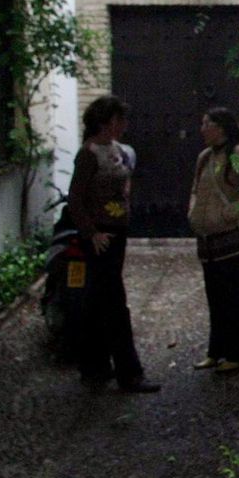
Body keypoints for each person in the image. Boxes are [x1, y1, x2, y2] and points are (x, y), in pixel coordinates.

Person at [66, 95, 160, 394]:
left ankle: (95, 367)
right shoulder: (89, 155)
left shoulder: (117, 151)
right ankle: (128, 373)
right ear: (107, 122)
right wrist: (92, 232)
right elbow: (76, 199)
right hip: (101, 236)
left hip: (117, 232)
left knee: (98, 301)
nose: (125, 125)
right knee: (114, 304)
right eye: (120, 120)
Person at [187, 107, 239, 373]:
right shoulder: (205, 157)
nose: (202, 129)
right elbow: (196, 190)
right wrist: (193, 213)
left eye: (206, 123)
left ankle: (238, 354)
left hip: (230, 240)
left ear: (221, 127)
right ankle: (215, 351)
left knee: (234, 298)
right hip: (207, 241)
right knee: (215, 298)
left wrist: (229, 213)